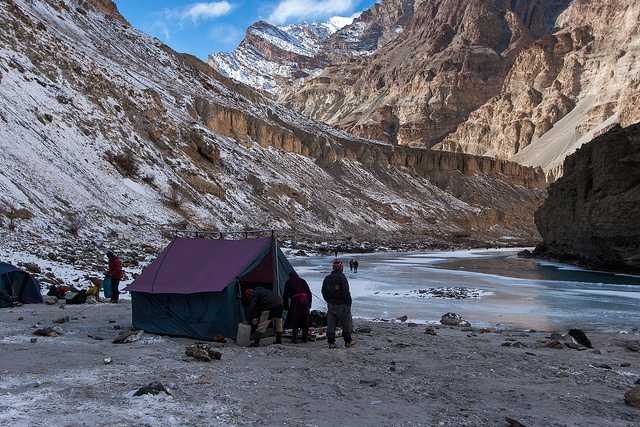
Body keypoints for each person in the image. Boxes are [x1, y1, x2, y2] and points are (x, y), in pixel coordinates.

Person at [321, 259, 353, 349]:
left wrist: (328, 300)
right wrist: (348, 303)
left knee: (331, 323)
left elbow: (323, 291)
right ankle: (348, 341)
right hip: (342, 304)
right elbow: (346, 291)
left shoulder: (327, 278)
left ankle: (331, 342)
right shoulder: (341, 277)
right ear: (340, 268)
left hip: (331, 304)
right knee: (346, 323)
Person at [283, 271, 312, 343]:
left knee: (295, 319)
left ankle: (294, 339)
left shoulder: (288, 282)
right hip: (305, 302)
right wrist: (309, 304)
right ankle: (305, 338)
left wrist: (286, 306)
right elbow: (309, 293)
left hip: (295, 302)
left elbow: (285, 295)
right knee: (305, 320)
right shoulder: (302, 281)